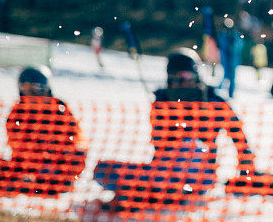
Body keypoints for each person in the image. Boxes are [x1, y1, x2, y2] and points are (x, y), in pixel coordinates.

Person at [93, 48, 256, 211]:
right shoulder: (162, 101)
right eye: (174, 78)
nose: (179, 83)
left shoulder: (213, 101)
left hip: (199, 173)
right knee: (103, 170)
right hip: (164, 170)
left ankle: (152, 193)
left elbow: (240, 140)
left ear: (196, 75)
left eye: (185, 77)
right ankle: (150, 192)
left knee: (190, 146)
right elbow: (159, 142)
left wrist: (245, 172)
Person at [0, 66, 88, 197]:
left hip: (56, 165)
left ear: (45, 87)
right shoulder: (18, 112)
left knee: (68, 162)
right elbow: (16, 143)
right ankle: (26, 183)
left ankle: (42, 184)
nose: (29, 92)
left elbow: (77, 141)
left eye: (34, 88)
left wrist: (53, 155)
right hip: (28, 165)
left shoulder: (58, 110)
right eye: (25, 87)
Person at [217, 17, 242, 98]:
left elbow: (239, 46)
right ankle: (219, 90)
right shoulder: (222, 35)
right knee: (224, 75)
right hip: (226, 59)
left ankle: (230, 93)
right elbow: (221, 45)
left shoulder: (235, 35)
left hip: (233, 59)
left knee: (232, 77)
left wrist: (233, 43)